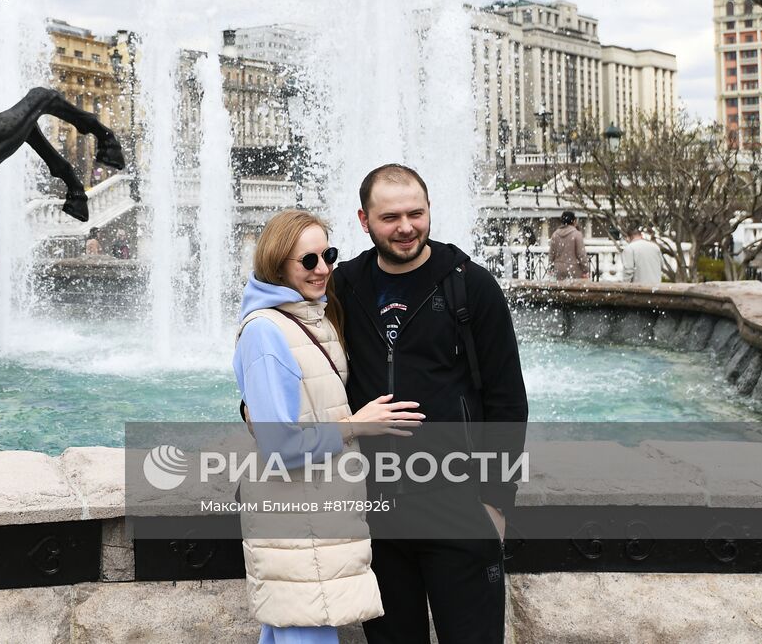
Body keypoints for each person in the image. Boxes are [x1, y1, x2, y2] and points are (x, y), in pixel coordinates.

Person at [331, 164, 528, 644]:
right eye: (390, 217)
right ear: (364, 220)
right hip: (374, 509)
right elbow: (299, 358)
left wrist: (496, 503)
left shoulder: (470, 285)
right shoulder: (343, 286)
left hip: (456, 506)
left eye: (416, 213)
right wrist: (253, 406)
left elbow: (507, 400)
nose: (405, 227)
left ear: (429, 210)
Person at [234, 209, 421, 643]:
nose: (323, 269)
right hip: (298, 520)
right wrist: (355, 425)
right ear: (278, 264)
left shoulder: (312, 319)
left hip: (317, 514)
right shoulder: (267, 331)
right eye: (308, 261)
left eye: (329, 255)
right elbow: (279, 445)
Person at [548, 210, 589, 280]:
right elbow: (581, 254)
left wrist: (550, 267)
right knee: (574, 290)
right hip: (574, 269)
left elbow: (551, 254)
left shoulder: (555, 234)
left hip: (558, 269)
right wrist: (585, 269)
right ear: (573, 221)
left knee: (560, 290)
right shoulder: (577, 234)